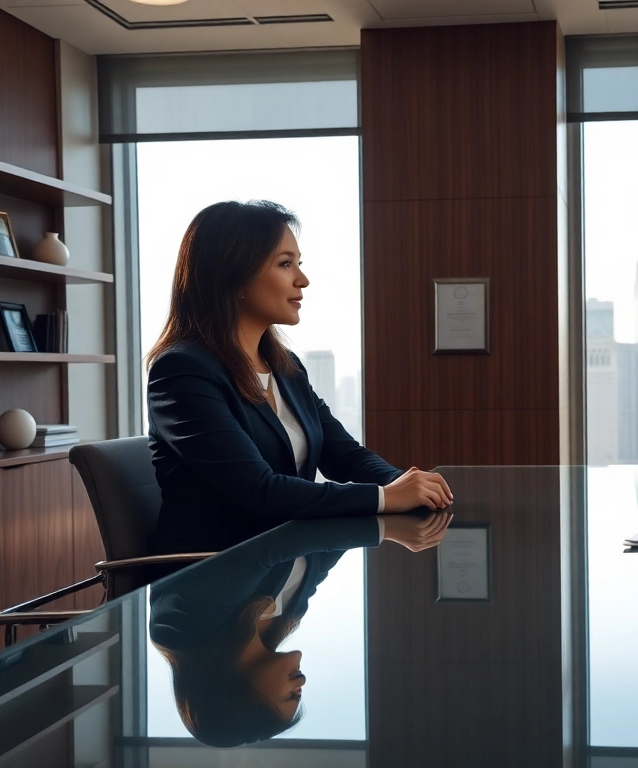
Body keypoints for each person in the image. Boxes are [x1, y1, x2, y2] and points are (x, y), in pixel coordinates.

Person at [147, 200, 453, 554]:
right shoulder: (182, 372)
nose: (302, 280)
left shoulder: (286, 366)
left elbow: (344, 455)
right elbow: (260, 491)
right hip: (217, 580)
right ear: (233, 274)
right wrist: (386, 497)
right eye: (285, 264)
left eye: (298, 263)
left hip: (285, 566)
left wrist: (400, 482)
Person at [150, 514, 452, 747]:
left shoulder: (180, 631)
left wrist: (384, 528)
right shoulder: (289, 615)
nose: (302, 681)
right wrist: (389, 512)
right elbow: (327, 549)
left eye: (291, 695)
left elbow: (265, 548)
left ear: (238, 701)